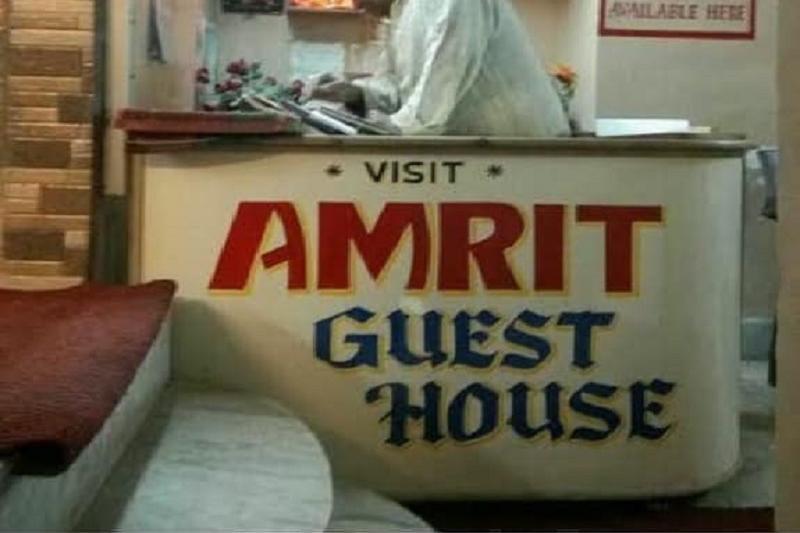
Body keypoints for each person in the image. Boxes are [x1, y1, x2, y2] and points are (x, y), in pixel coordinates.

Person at [311, 0, 570, 137]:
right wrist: (356, 93)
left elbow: (438, 91)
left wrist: (382, 128)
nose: (357, 5)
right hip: (479, 157)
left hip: (525, 159)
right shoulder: (403, 9)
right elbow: (402, 89)